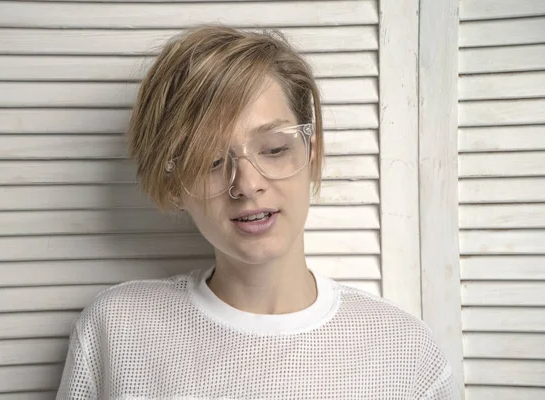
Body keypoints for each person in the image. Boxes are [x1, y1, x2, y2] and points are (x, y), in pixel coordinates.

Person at [56, 25, 455, 399]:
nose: (246, 184)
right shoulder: (116, 331)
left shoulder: (404, 353)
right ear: (175, 185)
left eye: (275, 149)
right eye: (210, 159)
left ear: (312, 156)